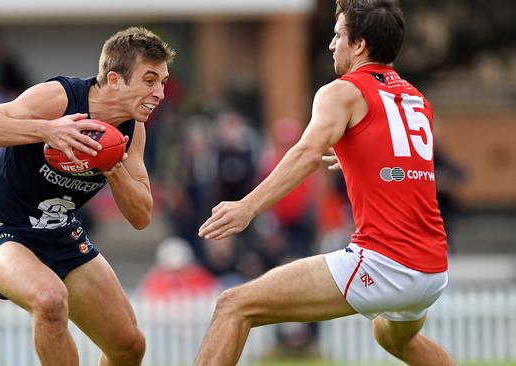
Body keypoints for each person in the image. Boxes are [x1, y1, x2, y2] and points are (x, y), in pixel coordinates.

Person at [194, 1, 457, 365]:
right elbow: (403, 166)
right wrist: (355, 161)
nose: (332, 45)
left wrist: (246, 207)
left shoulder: (341, 91)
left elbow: (305, 153)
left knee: (233, 306)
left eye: (338, 35)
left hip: (384, 264)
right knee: (393, 337)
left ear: (359, 44)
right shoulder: (415, 99)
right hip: (432, 268)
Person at [0, 27, 175, 366]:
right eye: (150, 80)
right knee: (49, 299)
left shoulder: (133, 131)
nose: (160, 92)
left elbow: (141, 216)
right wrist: (48, 129)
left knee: (129, 346)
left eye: (162, 81)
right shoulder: (60, 97)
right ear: (115, 79)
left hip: (60, 234)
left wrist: (113, 166)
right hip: (1, 231)